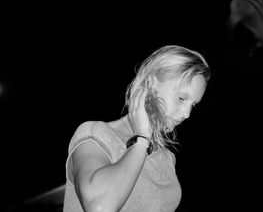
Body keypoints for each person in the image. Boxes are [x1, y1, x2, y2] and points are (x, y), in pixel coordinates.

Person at [63, 45, 210, 212]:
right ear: (150, 82)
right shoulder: (96, 134)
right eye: (181, 98)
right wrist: (141, 140)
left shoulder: (167, 158)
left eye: (193, 105)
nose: (187, 113)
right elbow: (100, 206)